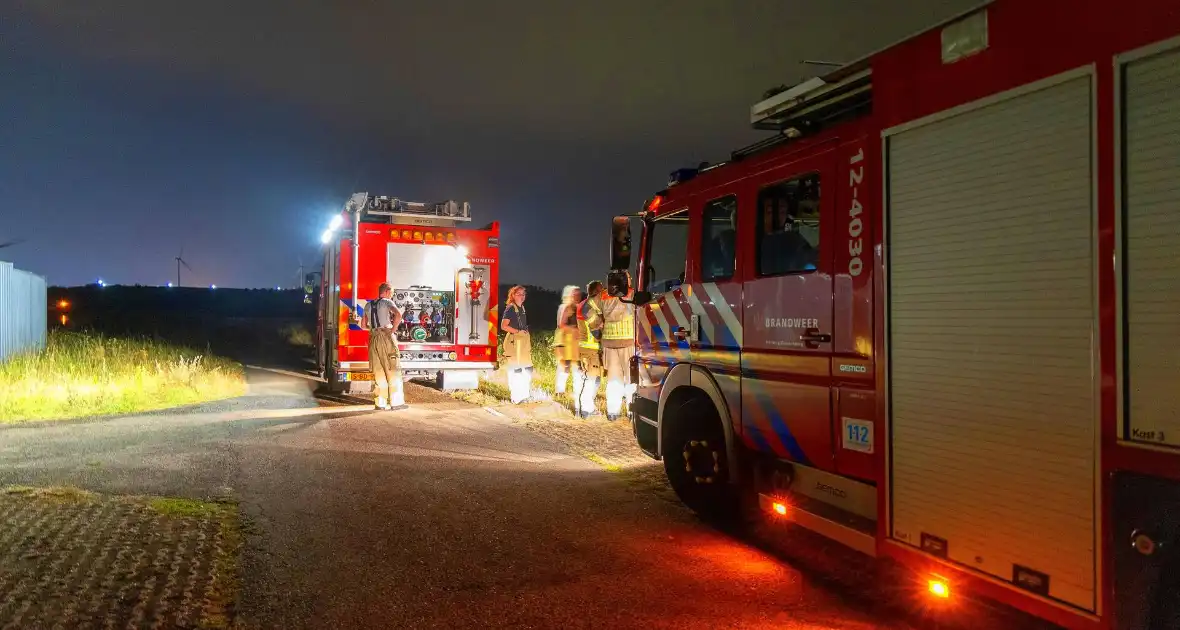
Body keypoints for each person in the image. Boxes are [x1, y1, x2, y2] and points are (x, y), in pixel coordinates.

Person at [586, 275, 636, 421]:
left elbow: (586, 309)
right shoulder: (632, 293)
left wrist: (597, 325)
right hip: (629, 342)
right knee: (631, 380)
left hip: (609, 343)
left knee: (614, 380)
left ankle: (613, 413)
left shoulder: (603, 295)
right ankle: (632, 412)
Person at [360, 283, 405, 410]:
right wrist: (393, 330)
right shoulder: (386, 302)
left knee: (378, 371)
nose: (391, 295)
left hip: (373, 338)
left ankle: (380, 403)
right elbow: (398, 314)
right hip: (386, 337)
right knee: (392, 368)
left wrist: (374, 330)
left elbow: (363, 325)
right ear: (387, 291)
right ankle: (396, 403)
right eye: (391, 293)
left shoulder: (368, 305)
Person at [573, 280, 604, 418]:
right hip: (589, 348)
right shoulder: (587, 307)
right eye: (602, 290)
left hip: (590, 348)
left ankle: (587, 407)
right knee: (591, 379)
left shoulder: (586, 305)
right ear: (597, 291)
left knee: (594, 379)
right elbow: (596, 329)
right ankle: (586, 409)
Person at [500, 285, 533, 404]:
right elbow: (503, 326)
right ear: (513, 295)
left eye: (523, 294)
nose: (522, 296)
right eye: (519, 294)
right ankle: (516, 397)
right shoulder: (510, 308)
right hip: (514, 341)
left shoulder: (522, 308)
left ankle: (525, 394)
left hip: (523, 342)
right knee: (516, 369)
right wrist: (518, 332)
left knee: (528, 368)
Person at [553, 285, 583, 395]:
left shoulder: (576, 307)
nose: (577, 296)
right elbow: (561, 324)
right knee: (565, 365)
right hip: (565, 341)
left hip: (573, 342)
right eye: (575, 294)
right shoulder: (566, 307)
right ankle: (560, 391)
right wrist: (575, 329)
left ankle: (577, 390)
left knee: (577, 366)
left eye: (579, 294)